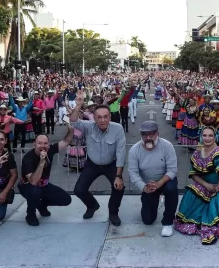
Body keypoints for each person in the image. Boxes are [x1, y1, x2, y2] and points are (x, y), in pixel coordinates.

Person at [69, 89, 126, 226]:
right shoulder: (89, 127)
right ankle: (92, 205)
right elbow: (73, 122)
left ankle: (113, 212)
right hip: (92, 163)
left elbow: (121, 152)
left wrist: (118, 176)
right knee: (79, 190)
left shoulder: (118, 129)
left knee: (119, 187)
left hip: (111, 164)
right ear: (94, 118)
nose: (102, 120)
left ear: (110, 117)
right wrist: (78, 106)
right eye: (99, 117)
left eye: (105, 116)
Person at [128, 121, 178, 237]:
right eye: (145, 135)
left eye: (151, 134)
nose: (148, 138)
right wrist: (144, 187)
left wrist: (160, 183)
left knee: (171, 189)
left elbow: (172, 170)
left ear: (157, 134)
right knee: (148, 220)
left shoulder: (167, 146)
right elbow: (133, 173)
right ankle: (149, 200)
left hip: (165, 180)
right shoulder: (134, 150)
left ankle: (168, 222)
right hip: (148, 184)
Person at [18, 126, 74, 226]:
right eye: (39, 143)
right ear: (34, 144)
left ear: (48, 145)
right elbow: (33, 182)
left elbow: (66, 141)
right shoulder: (28, 158)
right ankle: (30, 215)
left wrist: (71, 129)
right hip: (27, 186)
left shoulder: (50, 150)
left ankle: (41, 204)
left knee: (66, 199)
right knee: (34, 192)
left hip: (44, 185)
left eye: (45, 143)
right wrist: (42, 162)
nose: (43, 146)